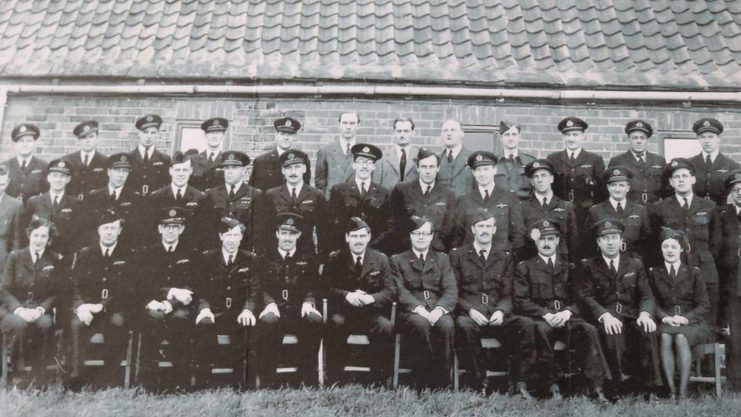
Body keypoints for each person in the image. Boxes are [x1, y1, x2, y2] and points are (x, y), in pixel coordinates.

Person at [514, 219, 607, 401]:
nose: (547, 243)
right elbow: (520, 300)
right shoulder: (525, 267)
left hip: (567, 318)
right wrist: (545, 314)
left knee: (589, 331)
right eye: (542, 239)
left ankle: (595, 388)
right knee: (541, 330)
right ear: (536, 242)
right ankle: (552, 386)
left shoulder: (570, 267)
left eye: (551, 238)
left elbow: (581, 297)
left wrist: (567, 312)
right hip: (541, 318)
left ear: (557, 241)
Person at [450, 209, 537, 398]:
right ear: (473, 229)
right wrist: (470, 310)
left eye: (488, 226)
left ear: (494, 229)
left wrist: (501, 311)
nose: (484, 230)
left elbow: (508, 294)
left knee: (525, 325)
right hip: (471, 314)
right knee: (464, 327)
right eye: (480, 226)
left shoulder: (504, 257)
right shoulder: (458, 255)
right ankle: (478, 382)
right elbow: (453, 292)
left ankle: (520, 384)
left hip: (497, 314)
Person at [576, 219, 661, 398]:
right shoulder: (588, 265)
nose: (610, 242)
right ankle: (618, 386)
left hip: (631, 316)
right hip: (607, 317)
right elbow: (586, 296)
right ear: (598, 242)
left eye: (614, 237)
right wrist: (604, 315)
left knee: (648, 330)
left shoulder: (635, 264)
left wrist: (645, 314)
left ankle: (650, 388)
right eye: (605, 238)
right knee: (612, 330)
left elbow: (646, 294)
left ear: (621, 240)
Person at [69, 209, 138, 388]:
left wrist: (102, 306)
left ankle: (111, 379)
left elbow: (129, 289)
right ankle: (76, 377)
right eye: (106, 228)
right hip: (88, 309)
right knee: (76, 325)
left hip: (114, 309)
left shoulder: (129, 254)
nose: (109, 232)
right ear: (99, 230)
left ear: (119, 231)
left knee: (117, 323)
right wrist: (81, 306)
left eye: (113, 228)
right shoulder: (85, 253)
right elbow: (75, 285)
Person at [322, 217, 395, 385]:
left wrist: (370, 298)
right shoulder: (335, 259)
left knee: (386, 326)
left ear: (369, 237)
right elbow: (325, 288)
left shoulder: (381, 259)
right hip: (344, 312)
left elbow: (390, 291)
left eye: (362, 236)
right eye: (354, 236)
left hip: (371, 314)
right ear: (347, 237)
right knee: (334, 323)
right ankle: (335, 378)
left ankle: (379, 380)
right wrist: (347, 295)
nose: (358, 241)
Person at [255, 213, 322, 387]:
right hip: (274, 310)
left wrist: (309, 301)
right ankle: (268, 381)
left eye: (292, 234)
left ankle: (308, 380)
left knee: (314, 320)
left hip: (297, 311)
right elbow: (259, 286)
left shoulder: (308, 259)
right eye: (284, 233)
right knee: (267, 321)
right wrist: (269, 303)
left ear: (298, 235)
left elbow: (313, 286)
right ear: (277, 234)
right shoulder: (264, 258)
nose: (287, 238)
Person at [652, 158, 720, 328]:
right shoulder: (660, 207)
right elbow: (654, 241)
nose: (681, 180)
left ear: (693, 179)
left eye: (685, 176)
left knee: (706, 315)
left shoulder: (709, 206)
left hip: (704, 267)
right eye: (676, 177)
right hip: (675, 270)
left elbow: (716, 242)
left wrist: (705, 259)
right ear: (670, 182)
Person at [390, 216, 457, 389]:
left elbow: (450, 289)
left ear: (431, 236)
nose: (421, 237)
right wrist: (419, 309)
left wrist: (440, 309)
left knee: (447, 325)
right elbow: (400, 290)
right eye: (417, 233)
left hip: (437, 308)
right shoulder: (398, 259)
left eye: (425, 233)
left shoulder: (442, 259)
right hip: (411, 311)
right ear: (411, 236)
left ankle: (443, 383)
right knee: (421, 324)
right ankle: (422, 381)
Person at [194, 217, 260, 389]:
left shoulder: (250, 258)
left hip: (238, 312)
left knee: (247, 327)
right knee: (204, 324)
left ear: (241, 238)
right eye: (228, 235)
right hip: (215, 312)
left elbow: (254, 291)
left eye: (236, 235)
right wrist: (205, 309)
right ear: (221, 237)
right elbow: (201, 290)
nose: (232, 240)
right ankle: (204, 383)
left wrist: (247, 309)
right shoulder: (208, 258)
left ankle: (242, 384)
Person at [137, 207, 197, 392]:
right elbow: (143, 284)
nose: (171, 230)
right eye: (166, 226)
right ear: (160, 229)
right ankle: (149, 382)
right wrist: (169, 292)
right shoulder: (147, 252)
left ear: (182, 229)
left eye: (175, 226)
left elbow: (191, 285)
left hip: (180, 305)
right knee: (153, 318)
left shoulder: (191, 253)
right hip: (153, 303)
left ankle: (180, 382)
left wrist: (170, 303)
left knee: (181, 319)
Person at [649, 228, 713, 398]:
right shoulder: (654, 273)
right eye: (665, 246)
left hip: (693, 322)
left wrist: (685, 318)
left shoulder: (694, 272)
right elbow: (652, 302)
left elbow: (704, 305)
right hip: (667, 321)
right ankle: (671, 391)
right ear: (661, 249)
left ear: (682, 249)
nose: (669, 250)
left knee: (680, 337)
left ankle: (683, 393)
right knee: (664, 336)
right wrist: (665, 317)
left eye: (674, 247)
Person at [0, 217, 63, 382]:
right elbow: (4, 289)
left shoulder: (55, 258)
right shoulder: (15, 256)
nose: (39, 240)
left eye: (43, 236)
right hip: (14, 309)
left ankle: (39, 374)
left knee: (46, 324)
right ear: (29, 235)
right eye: (35, 235)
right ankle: (16, 374)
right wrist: (19, 310)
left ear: (49, 239)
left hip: (40, 309)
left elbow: (56, 292)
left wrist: (41, 309)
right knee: (18, 324)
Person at [450, 151, 525, 259]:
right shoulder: (464, 200)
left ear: (495, 170)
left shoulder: (509, 197)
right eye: (478, 170)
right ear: (473, 173)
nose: (482, 174)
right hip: (471, 260)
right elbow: (458, 234)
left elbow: (518, 232)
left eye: (486, 169)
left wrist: (510, 257)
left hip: (501, 260)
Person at [387, 147, 456, 255]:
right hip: (406, 252)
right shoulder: (402, 190)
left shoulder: (447, 194)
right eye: (424, 167)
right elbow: (393, 223)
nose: (428, 171)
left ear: (438, 168)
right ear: (417, 168)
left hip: (436, 253)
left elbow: (450, 228)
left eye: (431, 167)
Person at [327, 144, 390, 254]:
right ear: (354, 165)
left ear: (374, 167)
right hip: (345, 250)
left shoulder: (383, 193)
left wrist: (374, 245)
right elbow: (332, 223)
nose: (364, 166)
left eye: (369, 162)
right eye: (360, 161)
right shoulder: (339, 190)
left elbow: (388, 225)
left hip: (374, 250)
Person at [710, 169, 741, 391]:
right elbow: (716, 249)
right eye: (736, 189)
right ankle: (736, 381)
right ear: (731, 192)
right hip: (732, 282)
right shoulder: (722, 215)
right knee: (735, 335)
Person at [264, 150, 327, 257]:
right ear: (283, 170)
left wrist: (322, 258)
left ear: (304, 169)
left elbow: (323, 231)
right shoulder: (271, 195)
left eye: (297, 167)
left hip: (306, 254)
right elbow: (266, 229)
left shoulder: (316, 195)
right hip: (278, 255)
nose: (293, 172)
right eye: (288, 168)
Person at [200, 151, 264, 252]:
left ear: (243, 171)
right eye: (227, 168)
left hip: (244, 249)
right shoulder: (211, 194)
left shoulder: (255, 194)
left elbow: (258, 228)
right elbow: (205, 226)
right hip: (217, 251)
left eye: (234, 168)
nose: (229, 172)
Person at [584, 167, 652, 261]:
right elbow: (589, 242)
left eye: (621, 185)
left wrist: (638, 259)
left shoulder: (639, 210)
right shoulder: (595, 211)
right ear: (608, 187)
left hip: (633, 262)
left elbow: (647, 241)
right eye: (613, 185)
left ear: (628, 188)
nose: (617, 189)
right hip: (605, 261)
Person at [20, 159, 82, 259]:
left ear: (68, 179)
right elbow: (25, 230)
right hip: (39, 255)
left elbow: (78, 233)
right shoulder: (34, 202)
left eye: (63, 176)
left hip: (63, 255)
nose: (58, 180)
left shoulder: (75, 204)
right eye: (55, 176)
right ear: (48, 178)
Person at [547, 117, 606, 221]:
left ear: (583, 136)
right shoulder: (553, 159)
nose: (571, 139)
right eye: (567, 135)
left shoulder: (594, 159)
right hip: (560, 213)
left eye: (575, 135)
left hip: (586, 214)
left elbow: (602, 192)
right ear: (563, 137)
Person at [520, 159, 578, 261]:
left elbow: (573, 241)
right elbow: (520, 240)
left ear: (551, 179)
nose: (540, 180)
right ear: (532, 182)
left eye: (543, 175)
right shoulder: (523, 208)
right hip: (533, 265)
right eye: (536, 177)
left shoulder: (566, 207)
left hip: (561, 264)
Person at [82, 153, 143, 248]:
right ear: (109, 172)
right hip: (97, 249)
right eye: (117, 171)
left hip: (124, 250)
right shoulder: (93, 197)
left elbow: (137, 229)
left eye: (125, 171)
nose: (121, 175)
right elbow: (87, 227)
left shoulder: (136, 198)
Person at [147, 152, 205, 249]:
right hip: (161, 250)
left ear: (190, 171)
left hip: (189, 250)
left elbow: (202, 229)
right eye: (177, 170)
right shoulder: (156, 197)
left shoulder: (200, 197)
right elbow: (151, 227)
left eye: (185, 170)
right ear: (170, 171)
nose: (181, 174)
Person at [607, 120, 667, 205]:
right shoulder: (618, 161)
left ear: (647, 140)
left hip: (654, 210)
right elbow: (610, 190)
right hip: (629, 210)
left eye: (642, 138)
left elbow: (667, 190)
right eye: (635, 138)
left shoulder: (659, 161)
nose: (639, 141)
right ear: (629, 139)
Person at [250, 117, 311, 192]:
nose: (286, 137)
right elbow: (254, 191)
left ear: (294, 137)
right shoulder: (261, 161)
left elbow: (305, 189)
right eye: (282, 133)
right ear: (276, 135)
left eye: (290, 134)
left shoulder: (303, 159)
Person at [688, 118, 740, 205]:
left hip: (721, 213)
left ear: (719, 138)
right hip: (696, 213)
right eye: (703, 137)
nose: (707, 141)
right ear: (698, 138)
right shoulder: (689, 164)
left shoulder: (732, 166)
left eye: (711, 137)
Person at [316, 112, 359, 199]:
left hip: (356, 201)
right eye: (344, 123)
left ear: (358, 126)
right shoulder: (326, 151)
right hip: (333, 202)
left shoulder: (363, 152)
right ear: (338, 125)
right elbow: (320, 182)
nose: (348, 127)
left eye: (352, 123)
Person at [127, 114, 171, 196]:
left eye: (153, 133)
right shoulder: (129, 158)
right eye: (145, 132)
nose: (149, 136)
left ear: (157, 134)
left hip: (155, 203)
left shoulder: (165, 159)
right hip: (133, 202)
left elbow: (167, 185)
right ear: (139, 133)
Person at [64, 120, 108, 201]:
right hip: (72, 206)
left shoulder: (105, 161)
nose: (87, 141)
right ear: (79, 140)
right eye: (84, 137)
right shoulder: (67, 160)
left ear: (97, 138)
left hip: (95, 206)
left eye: (91, 137)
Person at [3, 123, 48, 203]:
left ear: (35, 143)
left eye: (29, 140)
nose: (25, 144)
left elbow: (47, 194)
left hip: (32, 212)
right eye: (21, 141)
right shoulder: (4, 166)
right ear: (14, 144)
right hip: (9, 212)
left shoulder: (43, 166)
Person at [372, 117, 418, 190]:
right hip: (389, 199)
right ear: (394, 132)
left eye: (406, 131)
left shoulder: (419, 156)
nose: (402, 135)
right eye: (399, 131)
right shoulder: (382, 157)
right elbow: (376, 184)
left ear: (412, 133)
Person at [495, 120, 536, 201]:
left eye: (514, 134)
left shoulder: (530, 161)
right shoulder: (493, 162)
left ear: (519, 137)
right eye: (507, 134)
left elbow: (536, 190)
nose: (510, 138)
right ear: (501, 138)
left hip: (523, 209)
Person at [437, 120, 475, 197]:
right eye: (445, 131)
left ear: (462, 133)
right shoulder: (436, 160)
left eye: (453, 130)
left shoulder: (473, 158)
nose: (449, 133)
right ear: (441, 135)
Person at [189, 117, 228, 191]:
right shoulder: (193, 160)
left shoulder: (226, 161)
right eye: (211, 132)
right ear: (205, 135)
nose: (214, 136)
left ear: (223, 136)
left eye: (218, 133)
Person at [0, 165, 23, 270]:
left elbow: (17, 235)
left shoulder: (15, 204)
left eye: (2, 184)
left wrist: (13, 258)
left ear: (8, 183)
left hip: (2, 253)